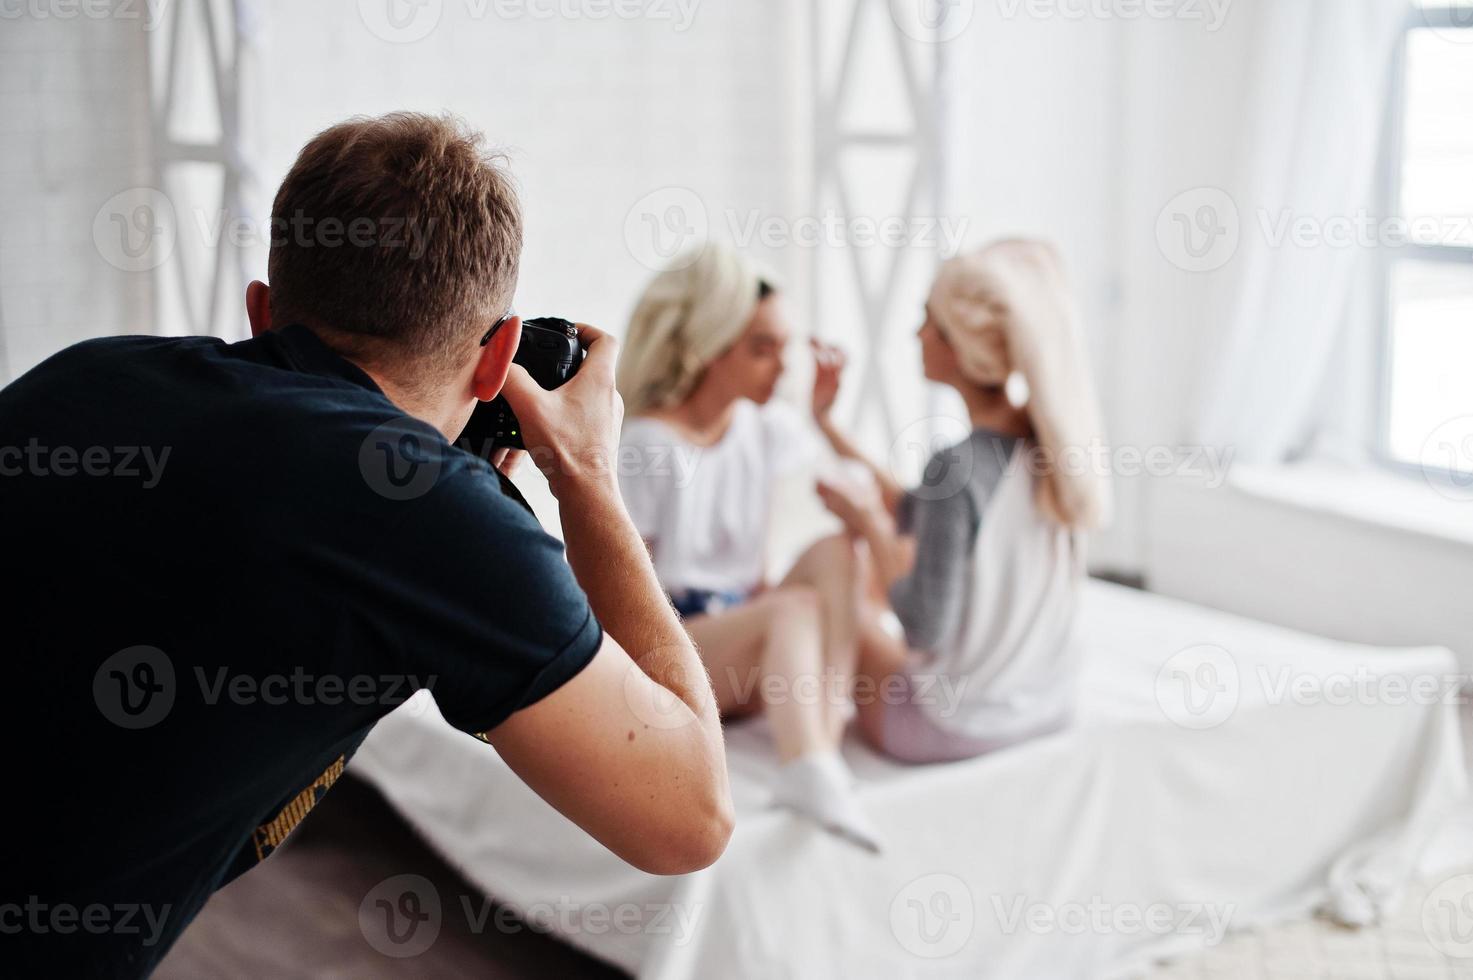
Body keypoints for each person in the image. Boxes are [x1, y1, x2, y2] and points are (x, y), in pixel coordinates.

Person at [0, 113, 732, 976]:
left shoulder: (90, 373)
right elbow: (689, 817)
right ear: (498, 358)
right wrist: (586, 476)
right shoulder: (432, 518)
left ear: (263, 311)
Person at [615, 245, 880, 852]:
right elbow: (629, 596)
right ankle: (807, 767)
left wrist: (826, 419)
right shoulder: (650, 444)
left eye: (785, 347)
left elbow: (875, 500)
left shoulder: (765, 429)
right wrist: (757, 620)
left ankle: (820, 745)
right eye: (762, 349)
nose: (781, 368)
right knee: (793, 611)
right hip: (677, 651)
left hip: (740, 644)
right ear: (709, 347)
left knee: (838, 551)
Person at [814, 239, 1111, 764]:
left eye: (928, 320)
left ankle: (810, 754)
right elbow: (923, 508)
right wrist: (828, 426)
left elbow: (924, 625)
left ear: (958, 346)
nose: (916, 334)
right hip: (1048, 710)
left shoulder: (957, 465)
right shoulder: (1054, 448)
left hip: (952, 727)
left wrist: (866, 524)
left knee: (837, 603)